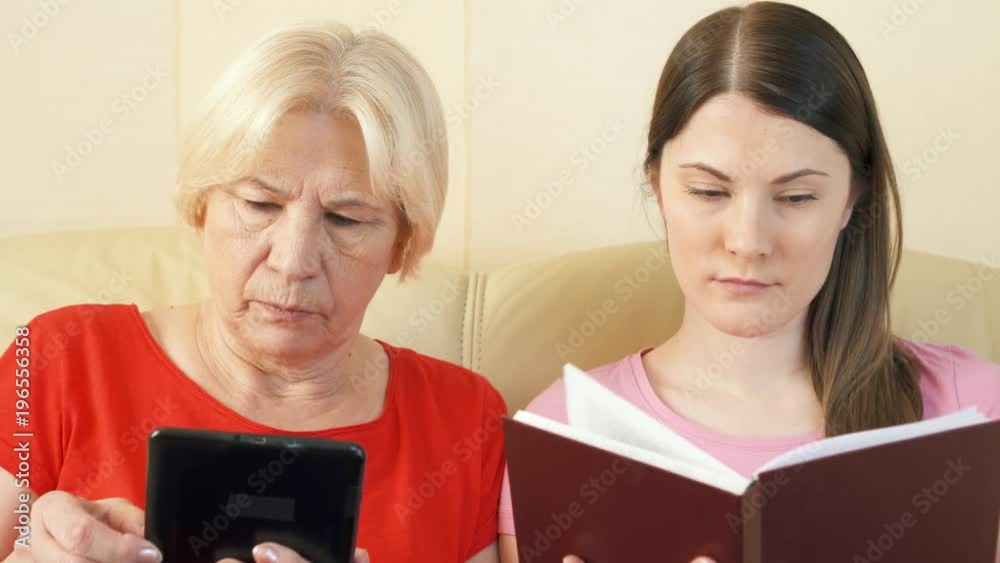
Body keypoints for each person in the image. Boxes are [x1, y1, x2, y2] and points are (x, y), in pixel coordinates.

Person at [497, 2, 1000, 562]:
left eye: (796, 197)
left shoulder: (976, 413)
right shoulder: (563, 433)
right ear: (658, 187)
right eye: (709, 193)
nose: (747, 240)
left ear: (852, 201)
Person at [0, 22, 505, 563]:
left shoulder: (463, 420)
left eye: (344, 219)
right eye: (260, 205)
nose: (293, 263)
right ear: (201, 205)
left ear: (402, 246)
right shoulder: (59, 358)